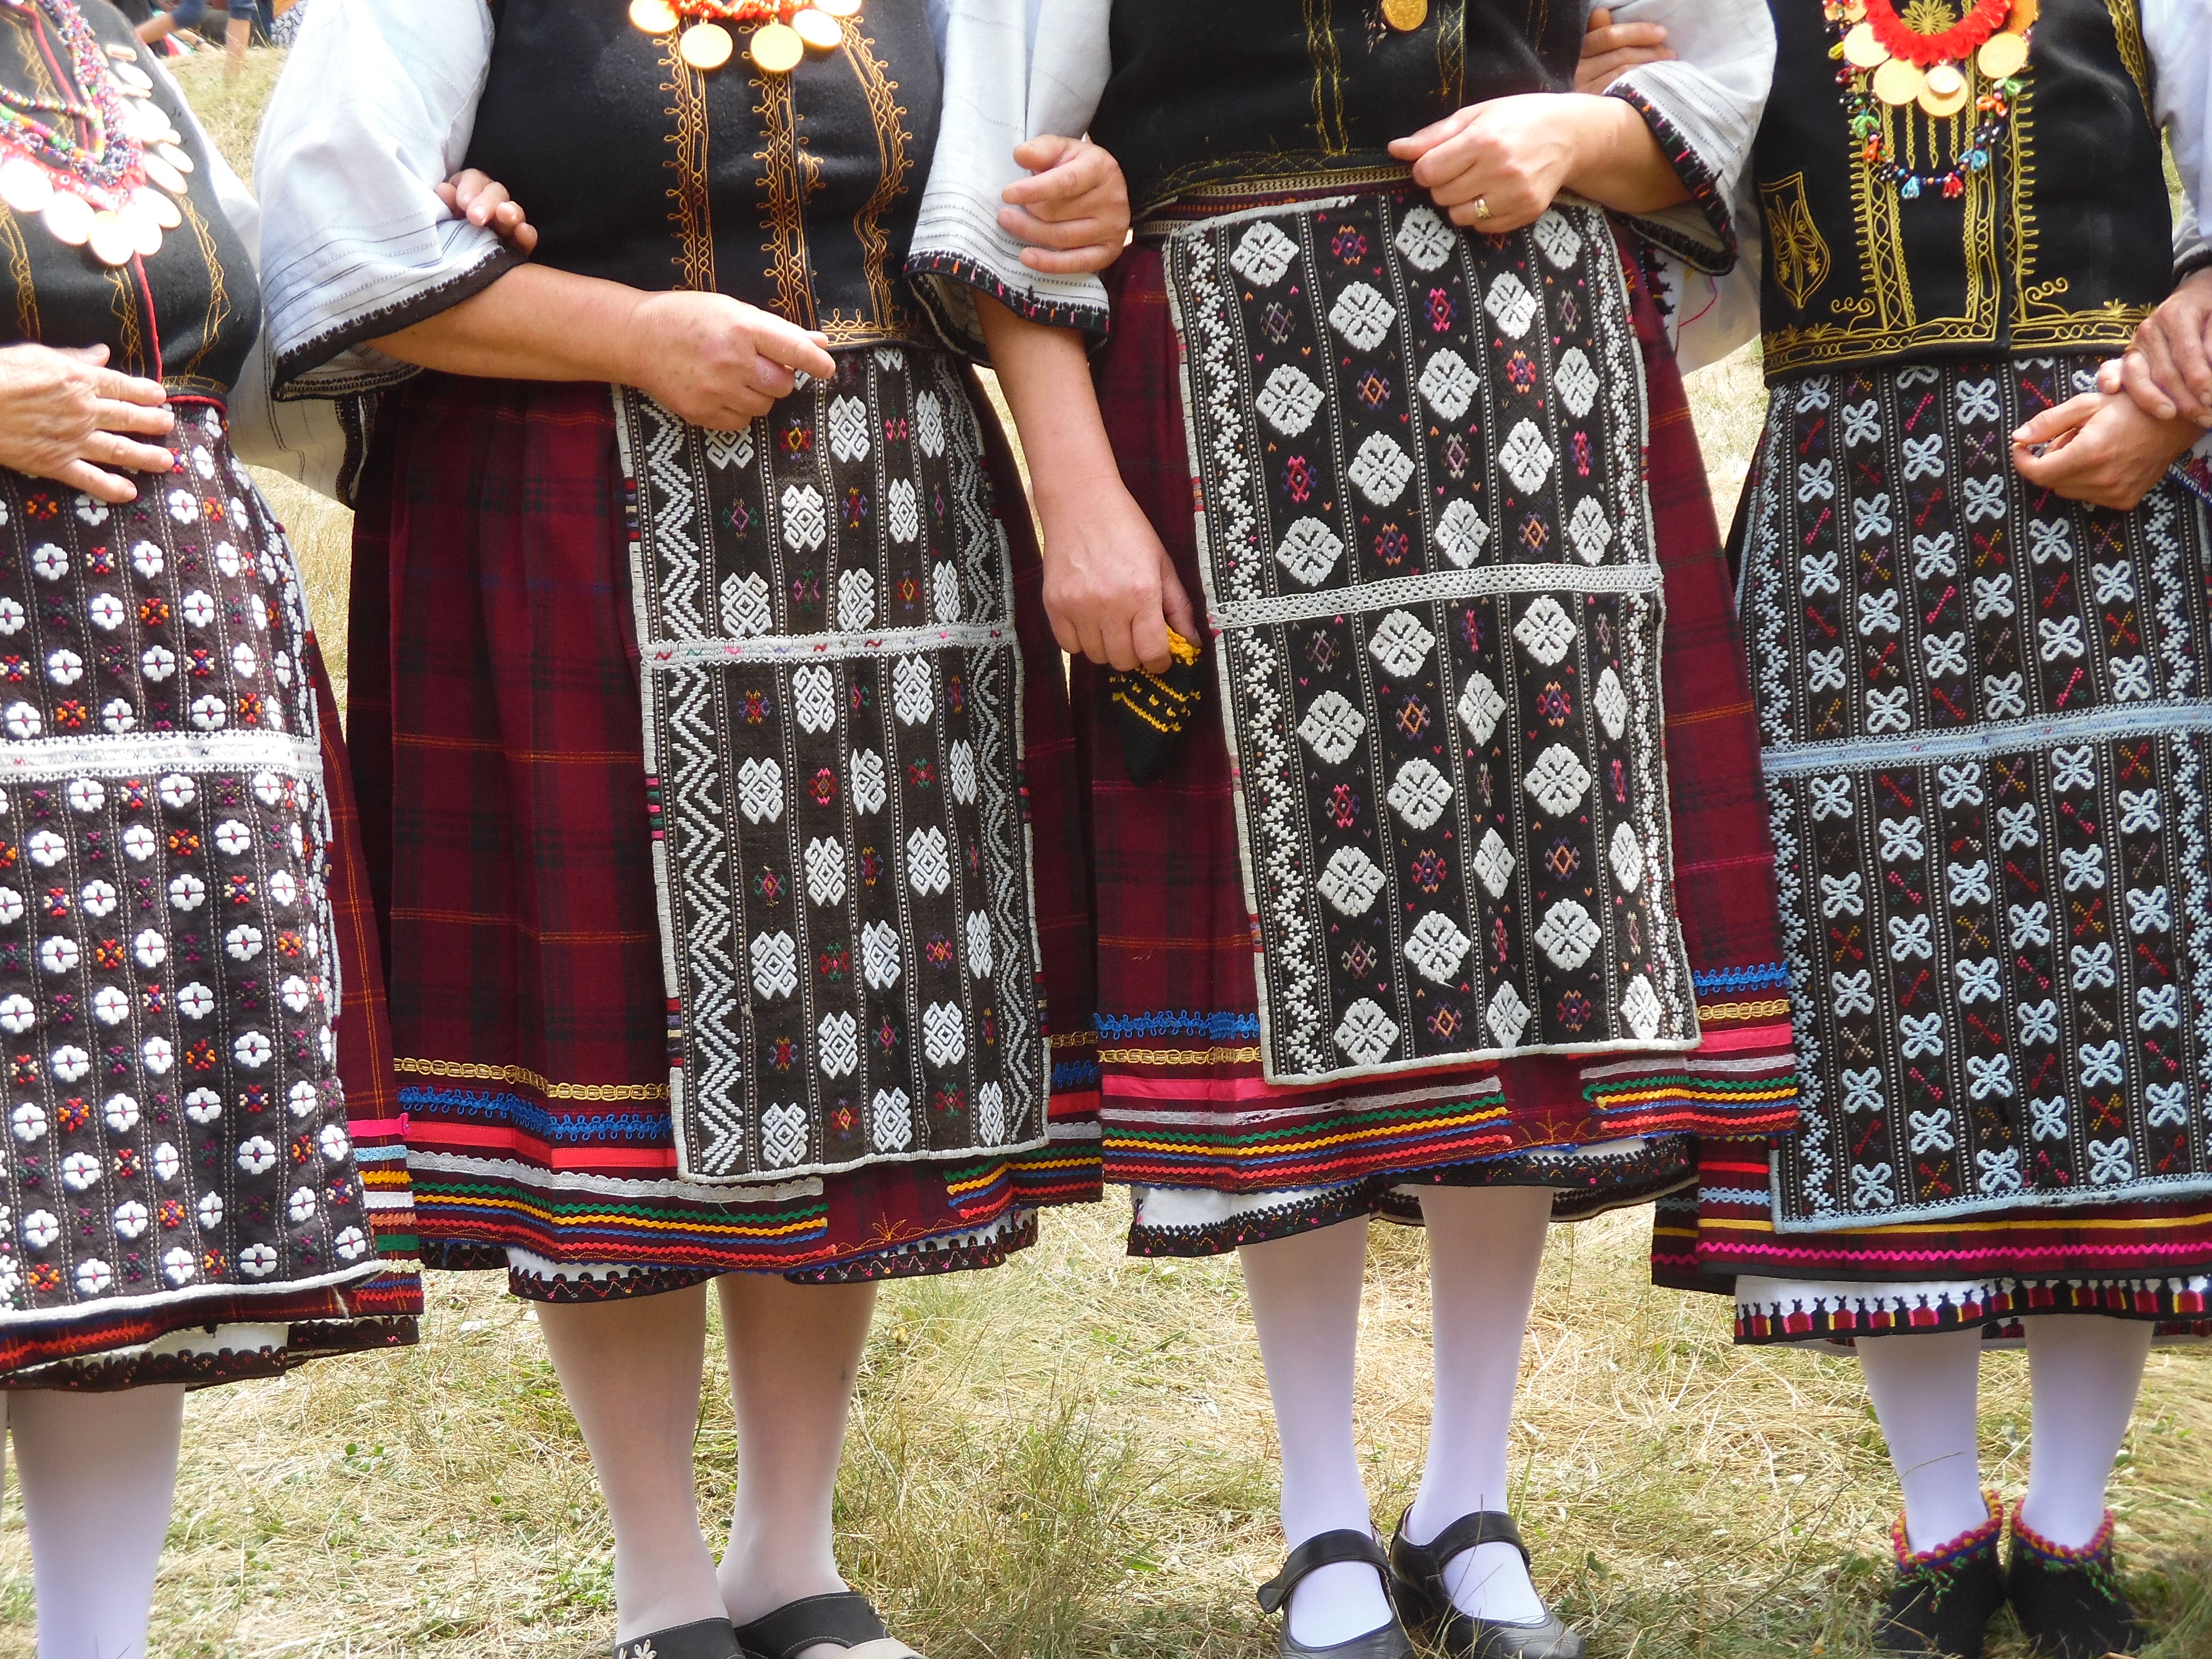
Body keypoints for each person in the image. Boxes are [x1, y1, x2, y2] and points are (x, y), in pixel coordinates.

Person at [906, 4, 1791, 1656]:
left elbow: (1717, 72)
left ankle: (1467, 1494)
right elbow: (1005, 164)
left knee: (1524, 940)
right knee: (1282, 962)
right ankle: (1319, 1510)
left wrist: (1567, 134)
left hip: (1531, 378)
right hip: (1228, 367)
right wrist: (1077, 489)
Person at [252, 3, 1132, 1657]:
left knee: (844, 1031)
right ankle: (660, 1584)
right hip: (563, 504)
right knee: (619, 1065)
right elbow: (330, 234)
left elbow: (1013, 200)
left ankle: (789, 1561)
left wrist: (1089, 193)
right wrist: (630, 331)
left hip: (884, 523)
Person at [1598, 2, 2212, 1654]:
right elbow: (1695, 291)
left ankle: (2069, 1521)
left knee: (2110, 1010)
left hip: (2103, 510)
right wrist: (1613, 146)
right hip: (1840, 532)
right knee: (1874, 1012)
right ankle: (1939, 1523)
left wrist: (2178, 392)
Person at [0, 0, 449, 1652]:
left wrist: (438, 251)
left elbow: (262, 365)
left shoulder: (101, 45)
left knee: (115, 1204)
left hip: (176, 697)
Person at [136, 0, 259, 72]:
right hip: (153, 12)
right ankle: (127, 41)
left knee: (242, 8)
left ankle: (233, 80)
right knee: (191, 13)